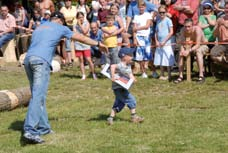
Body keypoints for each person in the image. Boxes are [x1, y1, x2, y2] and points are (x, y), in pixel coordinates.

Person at [23, 11, 107, 144]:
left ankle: (44, 127)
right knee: (38, 96)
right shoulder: (61, 28)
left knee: (38, 95)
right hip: (41, 61)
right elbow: (82, 38)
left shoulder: (39, 28)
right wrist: (97, 44)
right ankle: (30, 130)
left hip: (28, 60)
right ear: (61, 21)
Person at [107, 47, 144, 125]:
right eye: (130, 55)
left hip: (123, 87)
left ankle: (110, 118)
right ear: (124, 57)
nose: (132, 57)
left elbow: (130, 75)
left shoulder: (128, 66)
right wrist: (113, 76)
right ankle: (134, 117)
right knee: (132, 100)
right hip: (118, 88)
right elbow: (112, 66)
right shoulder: (121, 65)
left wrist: (133, 79)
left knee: (120, 103)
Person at [174, 18, 209, 84]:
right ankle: (180, 76)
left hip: (202, 45)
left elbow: (198, 44)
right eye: (185, 26)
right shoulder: (182, 30)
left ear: (192, 25)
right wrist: (182, 50)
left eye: (189, 26)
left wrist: (188, 51)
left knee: (198, 51)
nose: (187, 28)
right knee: (180, 53)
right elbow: (182, 43)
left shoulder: (197, 29)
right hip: (190, 45)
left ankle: (201, 75)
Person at [154, 5, 175, 81]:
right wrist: (156, 41)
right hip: (159, 43)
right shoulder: (158, 21)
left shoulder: (168, 20)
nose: (162, 14)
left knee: (167, 59)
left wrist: (164, 41)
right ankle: (162, 74)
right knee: (160, 58)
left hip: (167, 43)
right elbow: (156, 32)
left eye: (163, 12)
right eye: (160, 12)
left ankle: (169, 74)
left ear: (166, 12)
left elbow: (171, 32)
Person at [74, 12, 97, 80]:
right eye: (79, 17)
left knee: (89, 59)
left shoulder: (87, 23)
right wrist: (82, 35)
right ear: (77, 18)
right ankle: (83, 75)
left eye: (82, 17)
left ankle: (93, 73)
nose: (81, 19)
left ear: (84, 17)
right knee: (81, 60)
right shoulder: (74, 25)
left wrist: (80, 26)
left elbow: (85, 32)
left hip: (86, 44)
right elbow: (75, 34)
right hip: (78, 44)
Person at [132, 1, 152, 78]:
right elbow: (134, 29)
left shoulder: (148, 15)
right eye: (140, 7)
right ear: (138, 8)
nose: (141, 8)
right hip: (138, 37)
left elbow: (147, 26)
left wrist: (137, 28)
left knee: (147, 56)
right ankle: (143, 72)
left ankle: (152, 71)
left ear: (145, 7)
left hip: (146, 37)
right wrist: (134, 38)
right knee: (140, 57)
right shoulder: (136, 16)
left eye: (142, 7)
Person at [210, 2, 228, 69]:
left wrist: (226, 26)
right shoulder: (219, 20)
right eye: (226, 8)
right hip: (222, 44)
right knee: (213, 54)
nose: (227, 10)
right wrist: (218, 26)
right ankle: (226, 64)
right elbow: (214, 35)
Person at [60, 0, 77, 67]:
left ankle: (80, 59)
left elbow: (77, 17)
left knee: (77, 42)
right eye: (66, 1)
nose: (68, 2)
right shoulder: (62, 9)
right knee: (67, 43)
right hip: (66, 27)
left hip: (75, 26)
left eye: (69, 1)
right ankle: (70, 61)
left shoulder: (74, 8)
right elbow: (61, 19)